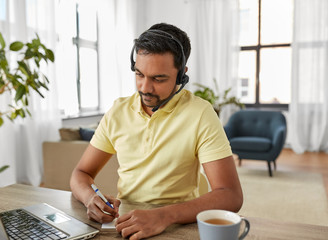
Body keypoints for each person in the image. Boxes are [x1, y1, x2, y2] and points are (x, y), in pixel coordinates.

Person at [70, 23, 243, 240]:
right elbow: (81, 174)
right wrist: (89, 198)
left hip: (177, 224)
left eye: (158, 79)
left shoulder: (200, 113)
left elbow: (230, 195)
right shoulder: (118, 111)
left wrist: (163, 216)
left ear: (181, 75)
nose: (144, 87)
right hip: (128, 223)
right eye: (139, 74)